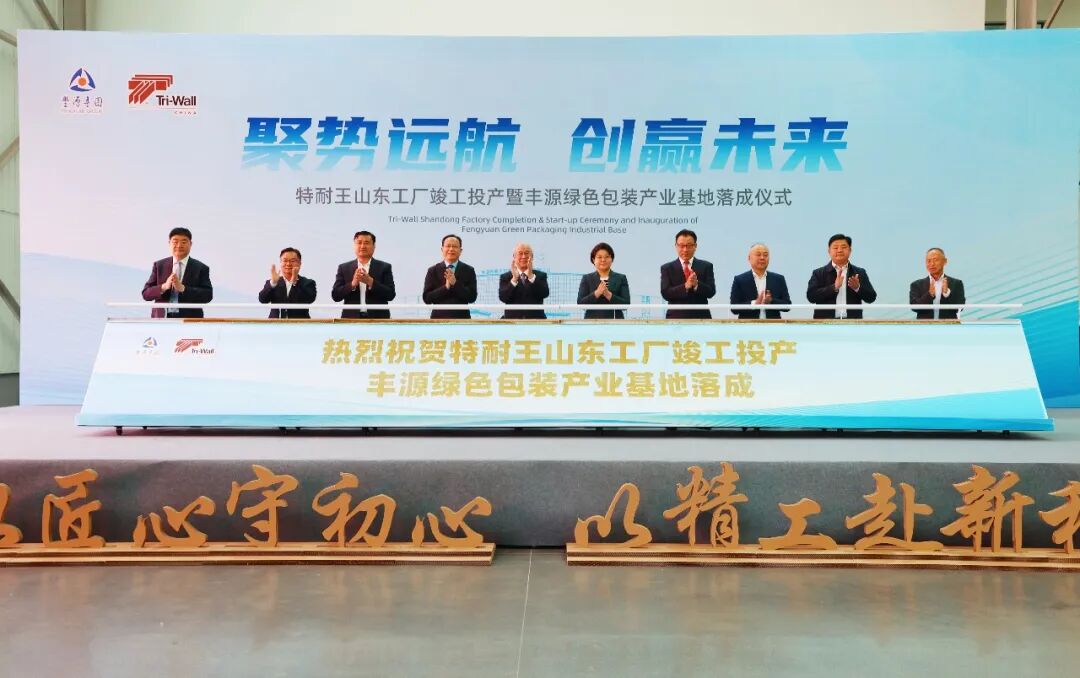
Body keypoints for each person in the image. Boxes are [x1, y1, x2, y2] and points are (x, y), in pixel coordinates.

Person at [141, 227, 213, 318]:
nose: (179, 245)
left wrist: (183, 288)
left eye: (183, 242)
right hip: (161, 319)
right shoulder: (159, 265)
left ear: (190, 244)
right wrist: (164, 287)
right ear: (169, 243)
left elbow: (207, 295)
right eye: (175, 242)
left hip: (189, 319)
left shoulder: (201, 268)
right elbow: (146, 294)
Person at [806, 233, 877, 319]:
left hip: (853, 323)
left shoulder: (859, 272)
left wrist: (858, 288)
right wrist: (834, 287)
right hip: (825, 323)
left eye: (843, 247)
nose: (839, 250)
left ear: (850, 250)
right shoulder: (818, 273)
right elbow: (811, 296)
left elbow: (871, 298)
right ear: (829, 251)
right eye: (835, 248)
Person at [331, 230, 396, 319]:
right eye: (359, 243)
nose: (362, 246)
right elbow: (335, 296)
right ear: (354, 245)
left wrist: (371, 282)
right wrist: (352, 284)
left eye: (366, 243)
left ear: (374, 246)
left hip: (378, 319)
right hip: (351, 319)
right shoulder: (344, 268)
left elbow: (391, 295)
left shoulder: (384, 267)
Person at [660, 229, 716, 319]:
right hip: (675, 318)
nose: (685, 249)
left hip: (701, 318)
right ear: (676, 246)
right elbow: (666, 293)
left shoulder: (706, 266)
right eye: (681, 246)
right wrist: (685, 286)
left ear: (695, 246)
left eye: (689, 246)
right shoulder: (667, 268)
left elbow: (711, 292)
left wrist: (697, 285)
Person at [729, 243, 791, 319]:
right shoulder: (740, 280)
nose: (762, 258)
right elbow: (734, 309)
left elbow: (787, 306)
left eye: (765, 255)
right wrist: (754, 303)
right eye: (758, 255)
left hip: (773, 324)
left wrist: (771, 301)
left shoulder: (779, 279)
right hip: (748, 324)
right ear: (749, 258)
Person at [422, 234, 477, 319]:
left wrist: (455, 284)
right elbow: (427, 298)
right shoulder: (433, 270)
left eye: (455, 246)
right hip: (438, 320)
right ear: (442, 249)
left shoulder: (469, 270)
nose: (451, 249)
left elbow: (472, 297)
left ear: (460, 250)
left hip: (462, 320)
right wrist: (445, 287)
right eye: (448, 246)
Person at [258, 247, 317, 319]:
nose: (288, 264)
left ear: (299, 263)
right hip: (275, 324)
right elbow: (262, 300)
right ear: (280, 262)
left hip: (300, 324)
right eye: (285, 260)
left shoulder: (308, 283)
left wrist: (295, 282)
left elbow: (310, 299)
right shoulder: (272, 282)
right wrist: (273, 283)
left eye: (292, 261)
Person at [577, 242, 630, 319]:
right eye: (599, 257)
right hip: (592, 322)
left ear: (611, 259)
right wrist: (597, 293)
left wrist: (608, 295)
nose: (603, 260)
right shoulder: (587, 278)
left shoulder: (621, 278)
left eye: (607, 257)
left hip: (616, 322)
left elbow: (626, 304)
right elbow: (580, 303)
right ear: (593, 260)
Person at [909, 247, 965, 320]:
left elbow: (960, 307)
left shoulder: (957, 283)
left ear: (945, 261)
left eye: (935, 260)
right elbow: (914, 307)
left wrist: (947, 294)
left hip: (948, 325)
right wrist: (929, 295)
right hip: (925, 326)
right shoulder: (916, 285)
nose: (932, 264)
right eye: (928, 261)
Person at [498, 243, 549, 319]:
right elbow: (503, 298)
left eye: (527, 253)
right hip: (512, 322)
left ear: (532, 257)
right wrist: (514, 279)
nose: (524, 256)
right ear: (514, 257)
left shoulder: (541, 276)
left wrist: (531, 276)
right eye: (520, 253)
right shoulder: (505, 277)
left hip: (536, 321)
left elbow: (544, 294)